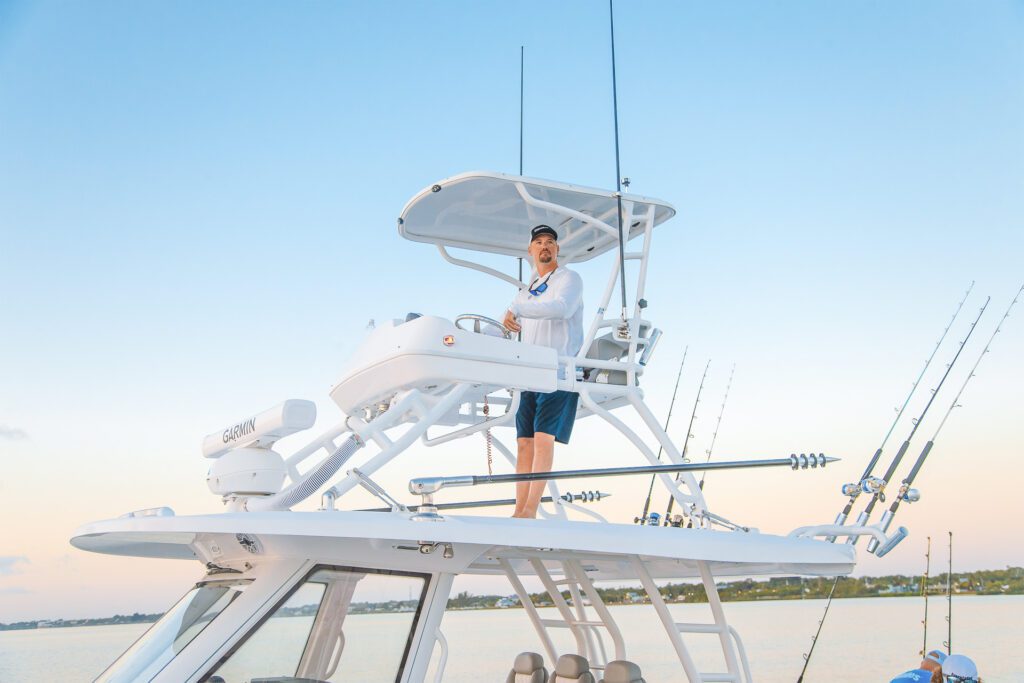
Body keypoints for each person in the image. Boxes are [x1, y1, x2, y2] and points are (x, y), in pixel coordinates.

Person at [502, 224, 584, 518]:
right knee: (524, 443)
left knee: (542, 439)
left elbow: (561, 308)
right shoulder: (527, 290)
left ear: (557, 249)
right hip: (529, 372)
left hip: (557, 370)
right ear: (530, 251)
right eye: (538, 242)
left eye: (550, 242)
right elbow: (515, 319)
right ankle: (518, 509)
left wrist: (517, 308)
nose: (545, 246)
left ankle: (530, 510)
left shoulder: (569, 279)